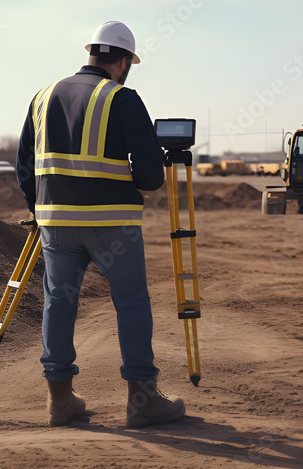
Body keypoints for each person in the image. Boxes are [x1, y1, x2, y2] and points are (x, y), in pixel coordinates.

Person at [16, 21, 186, 427]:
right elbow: (149, 178)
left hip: (55, 222)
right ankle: (142, 400)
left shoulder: (42, 97)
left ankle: (60, 400)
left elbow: (24, 168)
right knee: (130, 303)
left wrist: (40, 210)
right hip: (112, 224)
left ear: (92, 52)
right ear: (123, 61)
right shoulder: (122, 98)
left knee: (59, 303)